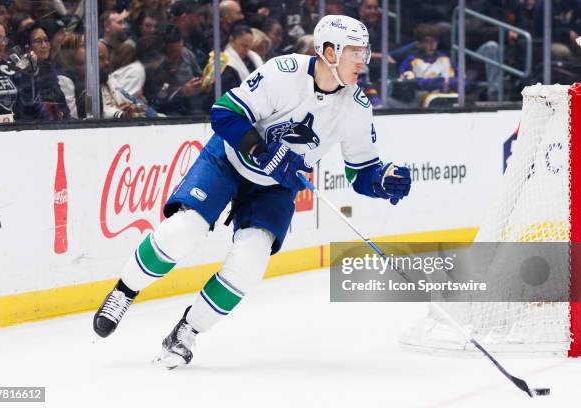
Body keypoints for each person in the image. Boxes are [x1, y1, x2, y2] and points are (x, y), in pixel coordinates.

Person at [92, 14, 411, 368]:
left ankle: (186, 331)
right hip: (228, 159)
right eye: (354, 52)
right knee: (184, 230)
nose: (362, 61)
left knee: (250, 262)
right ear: (330, 52)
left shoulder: (356, 106)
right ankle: (124, 292)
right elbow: (224, 113)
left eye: (364, 52)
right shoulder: (285, 72)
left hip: (275, 187)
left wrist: (383, 180)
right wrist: (261, 149)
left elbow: (362, 171)